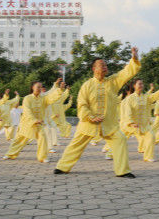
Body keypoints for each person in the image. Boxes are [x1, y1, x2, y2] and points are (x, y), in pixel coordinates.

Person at [54, 47, 141, 178]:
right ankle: (62, 167)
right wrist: (90, 117)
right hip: (89, 123)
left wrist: (134, 58)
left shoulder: (113, 81)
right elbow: (82, 104)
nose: (105, 67)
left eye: (106, 65)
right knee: (76, 145)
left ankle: (123, 170)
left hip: (108, 124)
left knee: (120, 139)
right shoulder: (87, 85)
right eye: (102, 65)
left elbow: (127, 72)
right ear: (94, 69)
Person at [4, 79, 65, 163]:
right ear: (32, 87)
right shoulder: (27, 98)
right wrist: (34, 120)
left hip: (39, 124)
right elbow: (27, 111)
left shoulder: (44, 98)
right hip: (27, 123)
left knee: (42, 137)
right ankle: (10, 154)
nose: (39, 89)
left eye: (41, 87)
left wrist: (60, 90)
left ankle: (42, 157)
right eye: (38, 87)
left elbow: (52, 98)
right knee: (19, 139)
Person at [122, 77, 159, 162]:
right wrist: (131, 123)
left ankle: (148, 157)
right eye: (139, 84)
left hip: (144, 124)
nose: (141, 85)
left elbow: (156, 95)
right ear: (134, 86)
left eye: (142, 84)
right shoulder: (130, 98)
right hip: (131, 125)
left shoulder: (146, 97)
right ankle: (110, 153)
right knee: (121, 139)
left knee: (151, 136)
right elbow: (127, 111)